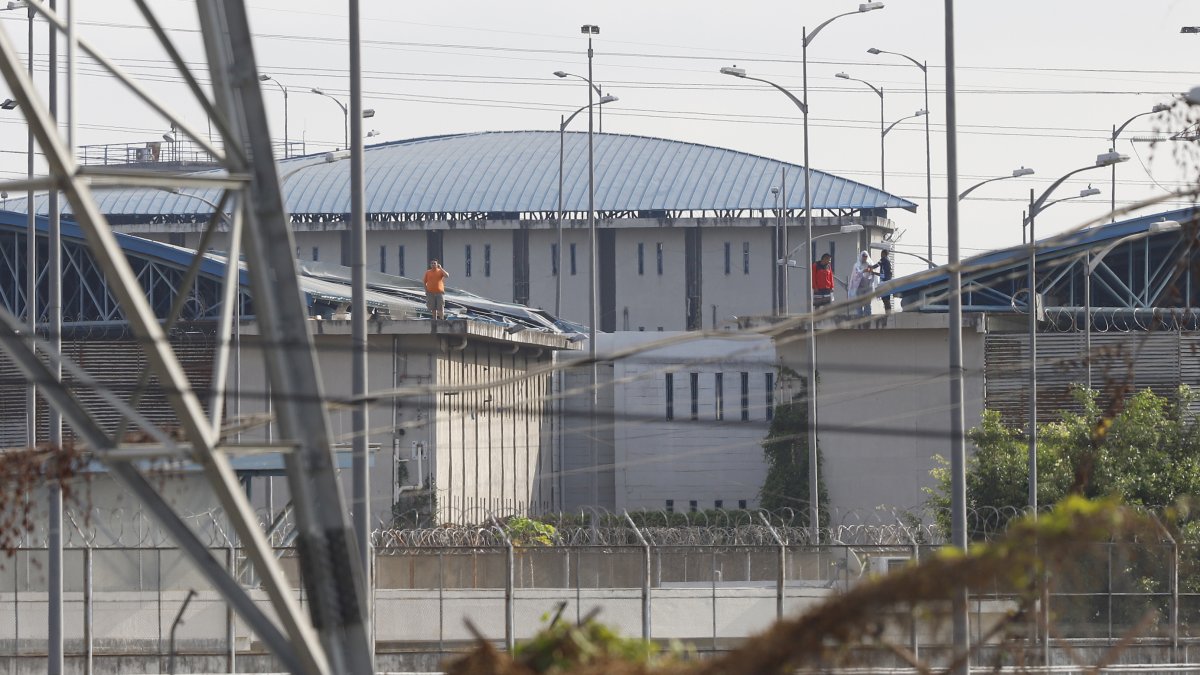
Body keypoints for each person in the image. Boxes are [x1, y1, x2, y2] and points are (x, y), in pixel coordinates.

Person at [847, 250, 877, 317]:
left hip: (868, 287)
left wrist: (871, 270)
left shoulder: (870, 264)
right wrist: (864, 270)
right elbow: (857, 273)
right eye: (863, 256)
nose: (865, 257)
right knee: (859, 303)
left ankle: (868, 317)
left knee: (867, 303)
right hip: (859, 287)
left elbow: (873, 274)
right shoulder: (857, 265)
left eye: (866, 256)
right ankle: (859, 317)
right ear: (861, 256)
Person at [873, 249, 893, 313]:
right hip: (888, 282)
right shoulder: (888, 261)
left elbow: (877, 265)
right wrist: (874, 273)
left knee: (885, 299)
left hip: (884, 283)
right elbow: (883, 275)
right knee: (887, 299)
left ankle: (888, 313)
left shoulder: (883, 259)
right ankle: (888, 313)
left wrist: (869, 268)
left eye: (881, 254)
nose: (880, 255)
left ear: (884, 254)